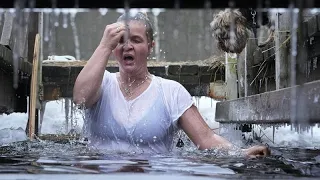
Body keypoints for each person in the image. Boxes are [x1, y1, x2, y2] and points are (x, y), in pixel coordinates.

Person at [73, 12, 270, 157]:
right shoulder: (102, 83)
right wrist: (104, 46)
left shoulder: (170, 92)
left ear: (150, 47)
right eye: (121, 40)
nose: (127, 46)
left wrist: (241, 153)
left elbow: (206, 139)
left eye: (136, 40)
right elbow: (80, 98)